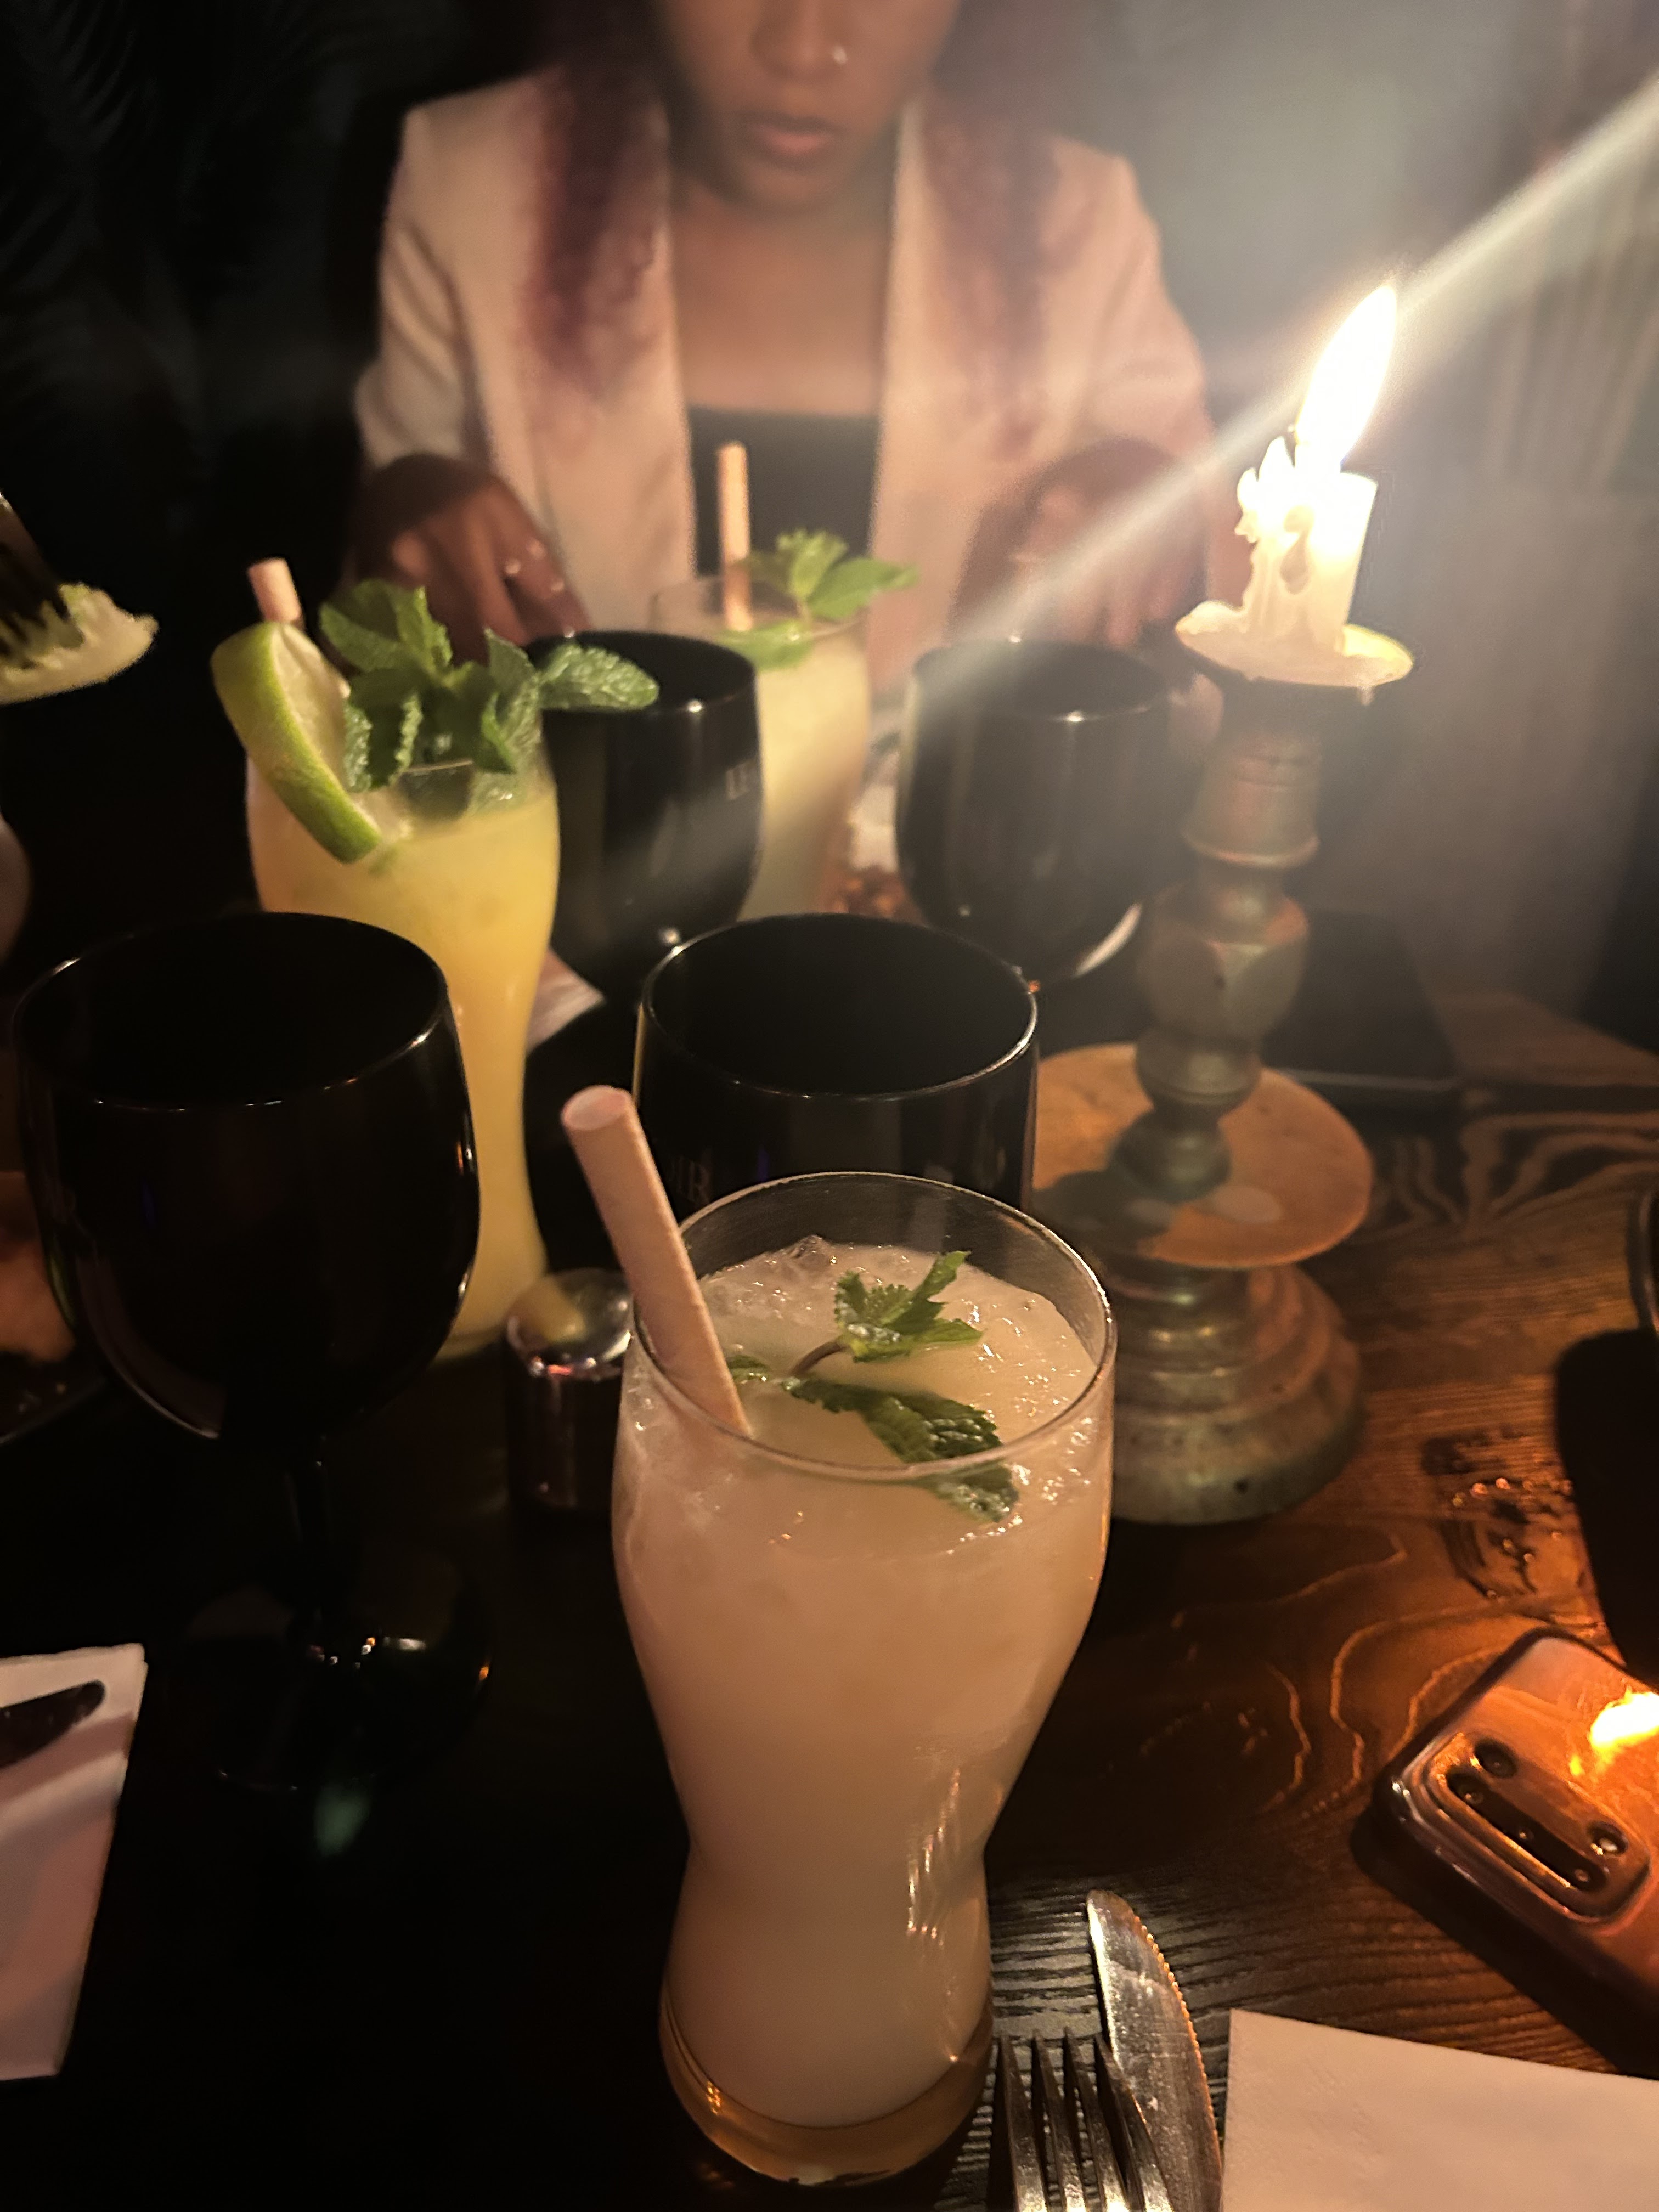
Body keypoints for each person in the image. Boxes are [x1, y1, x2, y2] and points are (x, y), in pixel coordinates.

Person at [351, 0, 1233, 692]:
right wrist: (401, 524)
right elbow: (369, 644)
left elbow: (1227, 619)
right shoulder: (472, 189)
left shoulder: (1077, 223)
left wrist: (1162, 525)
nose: (804, 50)